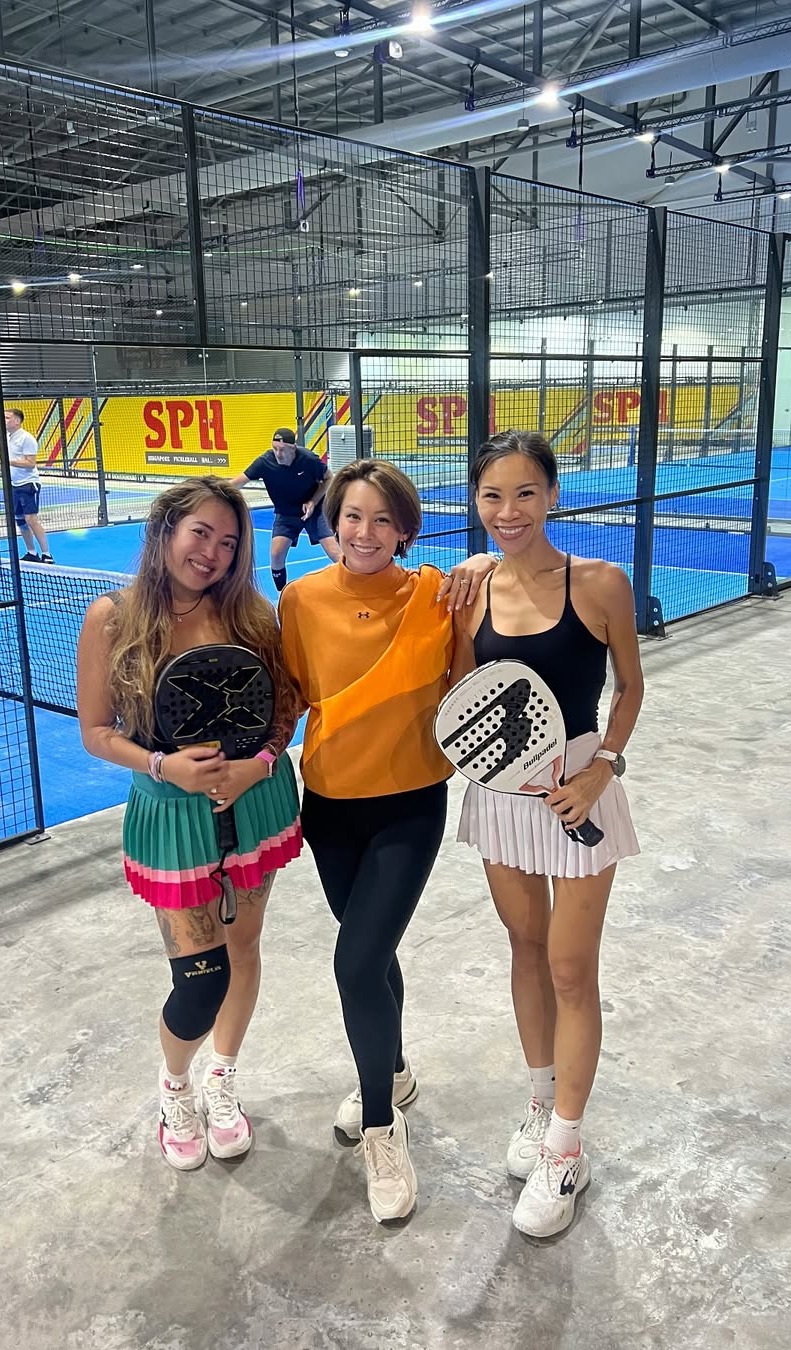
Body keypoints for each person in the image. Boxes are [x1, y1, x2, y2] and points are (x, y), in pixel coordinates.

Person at [279, 460, 495, 1225]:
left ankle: (381, 1124)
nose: (363, 533)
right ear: (331, 523)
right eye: (350, 517)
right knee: (372, 955)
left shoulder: (441, 595)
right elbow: (290, 699)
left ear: (406, 529)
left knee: (355, 960)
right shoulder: (300, 599)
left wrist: (481, 561)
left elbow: (472, 688)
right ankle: (394, 1070)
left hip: (410, 807)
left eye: (380, 520)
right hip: (330, 808)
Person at [76, 477, 302, 1172]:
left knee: (244, 951)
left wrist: (259, 765)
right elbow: (94, 731)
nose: (212, 553)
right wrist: (160, 766)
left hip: (254, 807)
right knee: (200, 979)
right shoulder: (111, 618)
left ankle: (222, 1078)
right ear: (166, 531)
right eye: (200, 533)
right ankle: (175, 1086)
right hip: (174, 818)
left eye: (229, 542)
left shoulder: (252, 617)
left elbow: (287, 710)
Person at [451, 429, 644, 1239]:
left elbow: (630, 687)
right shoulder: (470, 587)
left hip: (581, 788)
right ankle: (539, 1105)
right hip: (504, 793)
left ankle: (567, 1148)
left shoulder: (600, 583)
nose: (508, 511)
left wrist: (601, 768)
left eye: (524, 493)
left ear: (553, 496)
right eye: (492, 496)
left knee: (571, 969)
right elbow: (466, 690)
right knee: (525, 950)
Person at [229, 428, 341, 592]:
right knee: (276, 555)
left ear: (293, 448)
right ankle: (283, 594)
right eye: (275, 448)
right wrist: (210, 490)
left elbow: (328, 477)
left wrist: (313, 501)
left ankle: (356, 586)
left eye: (282, 450)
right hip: (286, 513)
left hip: (314, 510)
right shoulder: (265, 461)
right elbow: (237, 483)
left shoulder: (308, 459)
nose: (278, 454)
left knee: (335, 552)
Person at [4, 408, 54, 563]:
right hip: (14, 484)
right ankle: (32, 552)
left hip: (28, 484)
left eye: (7, 417)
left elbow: (31, 463)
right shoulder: (7, 437)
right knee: (20, 520)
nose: (3, 420)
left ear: (17, 421)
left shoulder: (27, 438)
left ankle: (47, 554)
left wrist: (9, 462)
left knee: (31, 519)